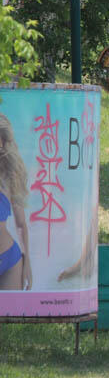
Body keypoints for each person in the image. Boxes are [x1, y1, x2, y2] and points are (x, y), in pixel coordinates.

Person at [0, 113, 31, 290]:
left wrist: (27, 263)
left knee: (12, 316)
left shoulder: (9, 176)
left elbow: (21, 224)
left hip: (10, 260)